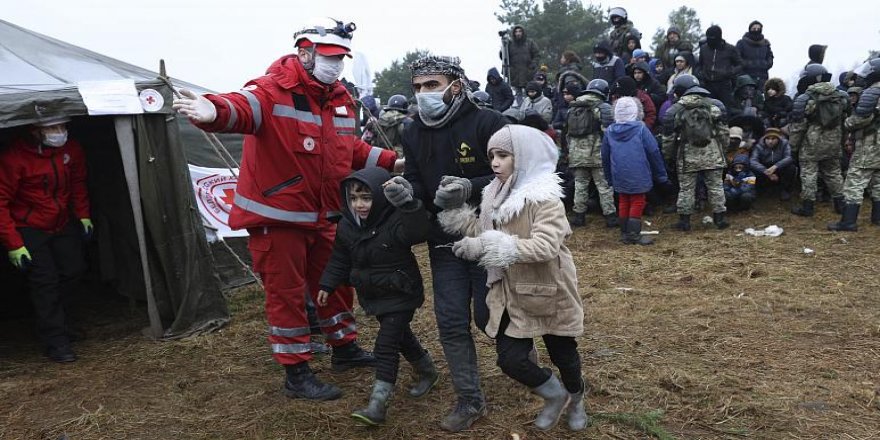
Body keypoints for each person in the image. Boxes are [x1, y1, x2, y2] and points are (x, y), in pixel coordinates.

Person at [171, 18, 399, 401]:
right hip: (277, 220)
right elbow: (239, 108)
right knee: (287, 295)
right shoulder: (271, 90)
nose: (336, 64)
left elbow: (352, 151)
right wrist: (211, 110)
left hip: (325, 216)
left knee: (337, 284)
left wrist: (394, 163)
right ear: (304, 52)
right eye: (329, 57)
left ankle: (344, 348)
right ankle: (296, 373)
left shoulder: (340, 98)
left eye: (341, 57)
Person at [437, 124, 587, 432]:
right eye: (492, 155)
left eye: (503, 155)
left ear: (524, 156)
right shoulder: (493, 193)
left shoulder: (544, 199)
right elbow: (487, 231)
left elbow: (545, 246)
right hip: (511, 291)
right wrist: (461, 219)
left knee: (563, 355)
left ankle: (577, 397)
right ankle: (555, 395)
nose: (494, 163)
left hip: (549, 290)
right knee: (510, 360)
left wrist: (490, 245)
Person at [400, 55, 508, 432]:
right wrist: (405, 192)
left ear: (455, 85)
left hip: (486, 233)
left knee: (489, 315)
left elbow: (512, 174)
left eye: (432, 85)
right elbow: (415, 179)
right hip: (442, 239)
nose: (423, 93)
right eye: (417, 87)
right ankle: (470, 398)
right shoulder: (411, 131)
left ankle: (525, 363)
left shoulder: (488, 122)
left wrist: (470, 186)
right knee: (449, 320)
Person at [316, 169, 437, 425]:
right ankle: (427, 369)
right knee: (400, 336)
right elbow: (339, 258)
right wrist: (327, 284)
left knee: (386, 344)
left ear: (381, 198)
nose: (359, 204)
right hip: (372, 294)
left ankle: (378, 404)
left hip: (401, 291)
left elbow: (419, 232)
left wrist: (409, 205)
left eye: (366, 198)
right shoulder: (347, 225)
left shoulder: (395, 220)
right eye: (354, 198)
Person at [0, 116, 91, 363]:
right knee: (45, 282)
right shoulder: (14, 159)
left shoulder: (71, 150)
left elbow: (78, 182)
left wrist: (83, 215)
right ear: (35, 131)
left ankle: (62, 323)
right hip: (28, 226)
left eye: (63, 127)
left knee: (74, 270)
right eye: (52, 128)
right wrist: (14, 244)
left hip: (61, 222)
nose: (60, 133)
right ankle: (56, 342)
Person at [662, 74, 731, 231]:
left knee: (686, 189)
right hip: (712, 153)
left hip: (688, 155)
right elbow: (723, 132)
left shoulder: (675, 110)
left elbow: (668, 138)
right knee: (715, 187)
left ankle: (685, 222)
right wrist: (724, 150)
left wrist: (669, 156)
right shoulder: (714, 106)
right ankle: (720, 219)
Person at [601, 97, 669, 245]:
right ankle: (633, 234)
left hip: (618, 171)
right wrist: (661, 175)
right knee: (638, 200)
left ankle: (625, 232)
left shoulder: (609, 131)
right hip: (638, 171)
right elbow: (653, 151)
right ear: (636, 111)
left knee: (624, 199)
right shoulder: (641, 128)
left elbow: (604, 155)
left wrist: (608, 176)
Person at [788, 64, 850, 217]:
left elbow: (798, 127)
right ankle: (840, 204)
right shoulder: (840, 96)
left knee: (809, 173)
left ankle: (808, 207)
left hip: (812, 141)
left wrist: (794, 147)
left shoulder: (806, 98)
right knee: (833, 172)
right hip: (834, 139)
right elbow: (845, 122)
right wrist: (841, 142)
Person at [828, 58, 880, 231]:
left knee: (855, 180)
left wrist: (848, 123)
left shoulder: (873, 91)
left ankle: (848, 222)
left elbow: (861, 119)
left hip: (870, 142)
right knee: (878, 180)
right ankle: (877, 217)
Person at [565, 79, 617, 228]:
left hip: (577, 155)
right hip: (597, 153)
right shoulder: (603, 107)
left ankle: (579, 217)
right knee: (604, 186)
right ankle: (611, 217)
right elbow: (609, 131)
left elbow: (567, 134)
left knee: (580, 185)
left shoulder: (573, 107)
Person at [695, 25, 742, 109]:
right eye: (708, 37)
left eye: (712, 37)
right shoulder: (703, 49)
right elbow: (700, 64)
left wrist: (730, 72)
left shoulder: (730, 49)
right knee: (707, 108)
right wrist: (700, 74)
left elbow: (740, 64)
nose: (710, 39)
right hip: (707, 84)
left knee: (725, 109)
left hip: (724, 84)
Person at [750, 127, 796, 200]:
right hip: (765, 168)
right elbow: (753, 161)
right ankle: (758, 189)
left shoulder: (784, 144)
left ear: (778, 139)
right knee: (752, 169)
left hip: (779, 167)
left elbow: (789, 157)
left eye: (773, 139)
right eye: (768, 139)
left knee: (791, 168)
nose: (770, 141)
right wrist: (765, 171)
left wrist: (775, 166)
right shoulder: (759, 145)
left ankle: (784, 189)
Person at [367, 94, 412, 158]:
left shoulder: (378, 120)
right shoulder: (407, 122)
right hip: (398, 159)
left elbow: (367, 140)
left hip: (378, 157)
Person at [735, 20, 774, 89]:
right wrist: (746, 64)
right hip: (746, 77)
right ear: (750, 29)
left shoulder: (765, 44)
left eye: (758, 29)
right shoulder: (741, 43)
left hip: (762, 77)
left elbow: (770, 56)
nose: (756, 30)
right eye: (754, 28)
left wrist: (767, 64)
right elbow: (736, 57)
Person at [505, 25, 540, 97]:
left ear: (523, 32)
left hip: (528, 73)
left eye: (520, 31)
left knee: (530, 94)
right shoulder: (510, 44)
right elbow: (504, 57)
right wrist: (504, 46)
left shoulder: (530, 43)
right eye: (516, 32)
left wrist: (533, 65)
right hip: (515, 74)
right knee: (517, 95)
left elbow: (537, 55)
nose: (518, 33)